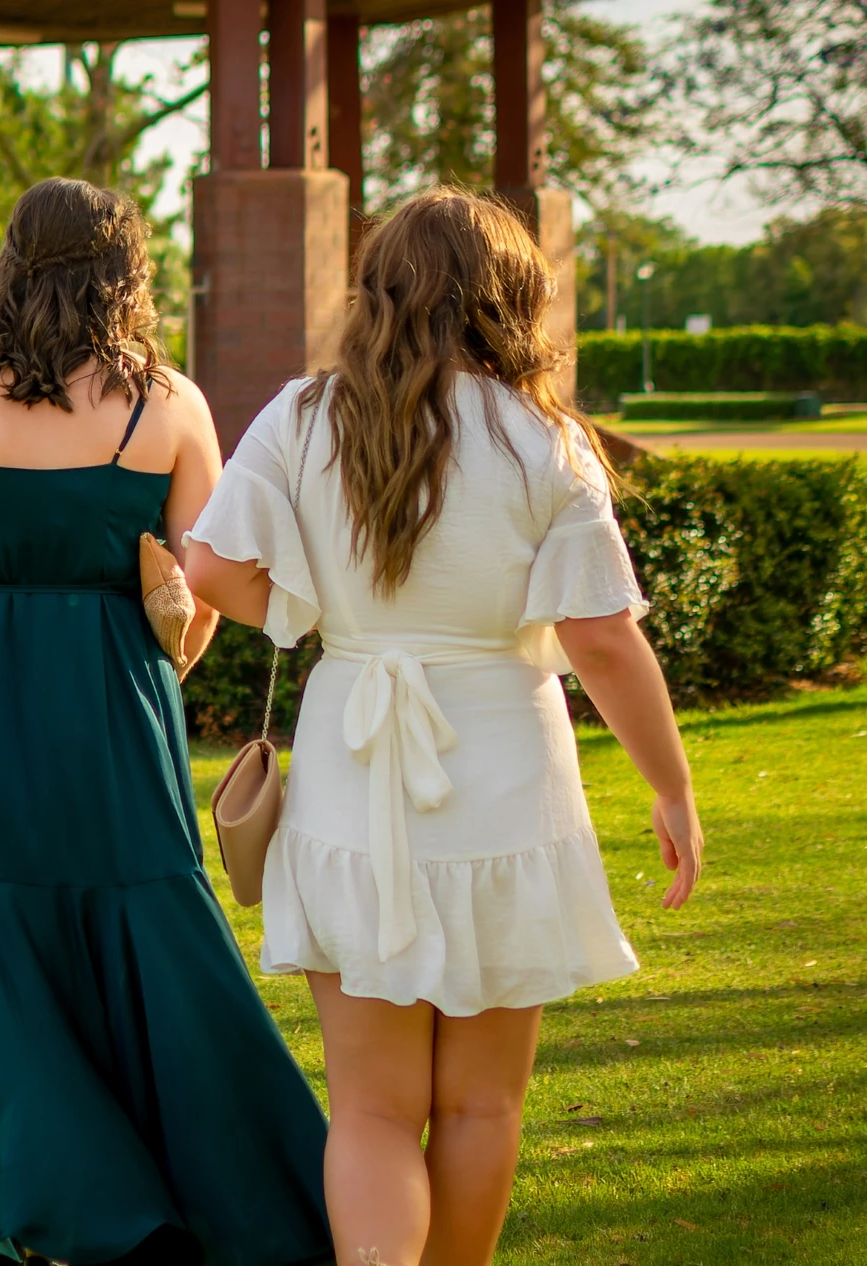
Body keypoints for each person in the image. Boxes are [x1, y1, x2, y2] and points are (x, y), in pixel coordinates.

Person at [184, 188, 706, 1266]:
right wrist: (671, 786)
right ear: (508, 299)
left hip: (348, 757)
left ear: (378, 292)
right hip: (504, 774)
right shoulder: (543, 442)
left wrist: (312, 613)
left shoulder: (300, 415)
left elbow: (210, 572)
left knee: (371, 1110)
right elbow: (601, 640)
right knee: (480, 1108)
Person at [0, 177, 335, 1266]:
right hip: (118, 693)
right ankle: (220, 1193)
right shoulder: (170, 404)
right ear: (126, 270)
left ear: (12, 261)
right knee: (147, 923)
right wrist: (157, 664)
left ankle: (36, 1196)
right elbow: (200, 587)